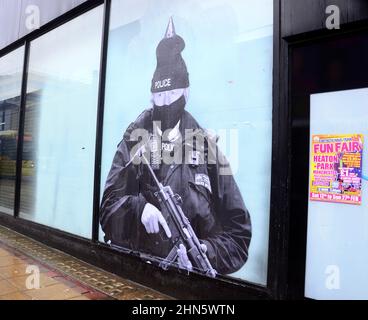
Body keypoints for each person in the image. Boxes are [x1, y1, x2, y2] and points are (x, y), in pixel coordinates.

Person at [100, 18, 252, 275]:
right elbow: (107, 209)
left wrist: (206, 251)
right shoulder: (133, 141)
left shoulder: (208, 149)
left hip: (193, 283)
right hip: (136, 277)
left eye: (172, 94)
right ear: (151, 97)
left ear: (186, 93)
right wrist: (138, 209)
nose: (165, 102)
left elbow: (239, 236)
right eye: (159, 95)